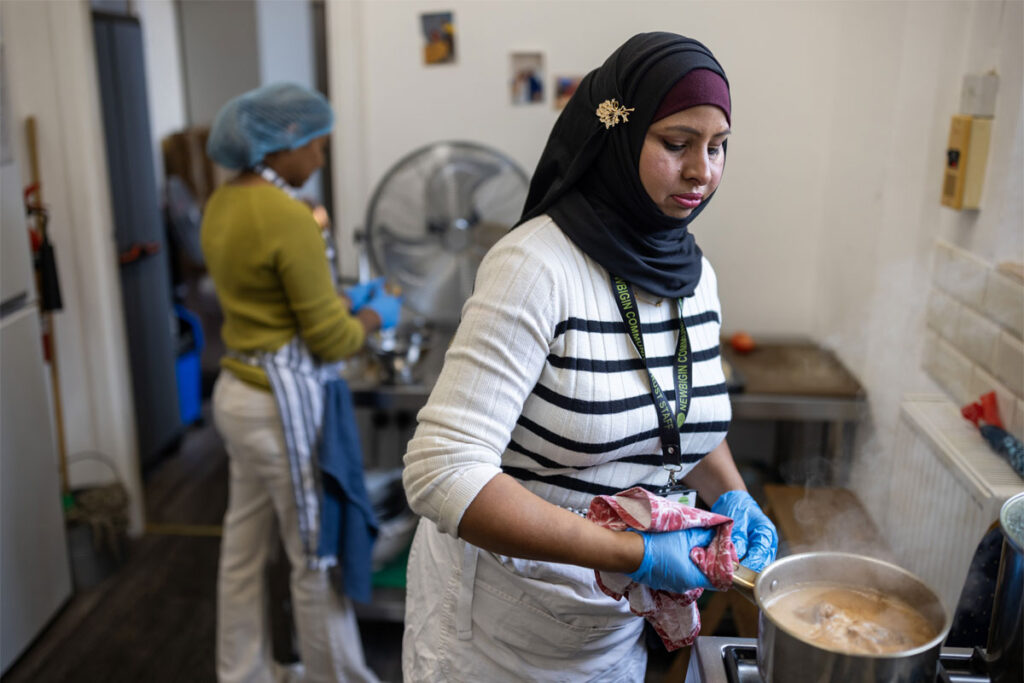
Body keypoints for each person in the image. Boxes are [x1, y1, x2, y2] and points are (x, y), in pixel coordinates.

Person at [401, 32, 779, 680]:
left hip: (608, 635)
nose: (703, 172)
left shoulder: (695, 274)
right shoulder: (538, 267)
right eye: (677, 143)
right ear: (620, 137)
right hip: (495, 635)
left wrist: (736, 494)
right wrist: (631, 551)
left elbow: (673, 417)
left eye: (718, 147)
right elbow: (440, 471)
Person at [201, 82, 399, 683]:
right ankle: (338, 677)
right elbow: (332, 341)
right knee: (316, 555)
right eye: (316, 145)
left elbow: (270, 300)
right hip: (279, 408)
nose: (320, 158)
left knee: (242, 550)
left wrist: (338, 300)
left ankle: (243, 672)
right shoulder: (288, 217)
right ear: (282, 143)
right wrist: (374, 312)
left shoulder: (223, 203)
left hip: (238, 394)